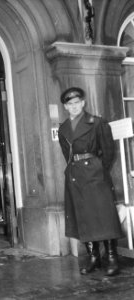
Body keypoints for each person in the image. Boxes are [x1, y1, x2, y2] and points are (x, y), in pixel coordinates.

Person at [58, 87, 124, 276]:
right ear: (65, 106)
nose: (74, 106)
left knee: (104, 216)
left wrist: (98, 168)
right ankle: (93, 257)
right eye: (70, 104)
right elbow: (66, 153)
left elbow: (109, 151)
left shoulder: (97, 122)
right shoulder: (63, 128)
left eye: (77, 102)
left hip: (95, 176)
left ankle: (112, 258)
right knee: (83, 217)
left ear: (83, 103)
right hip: (75, 176)